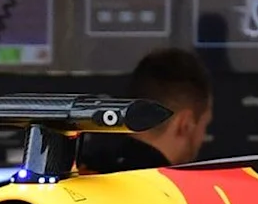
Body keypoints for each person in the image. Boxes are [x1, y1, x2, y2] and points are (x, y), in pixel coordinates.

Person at [76, 46, 214, 172]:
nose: (202, 138)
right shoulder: (168, 193)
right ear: (186, 124)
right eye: (204, 126)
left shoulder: (81, 170)